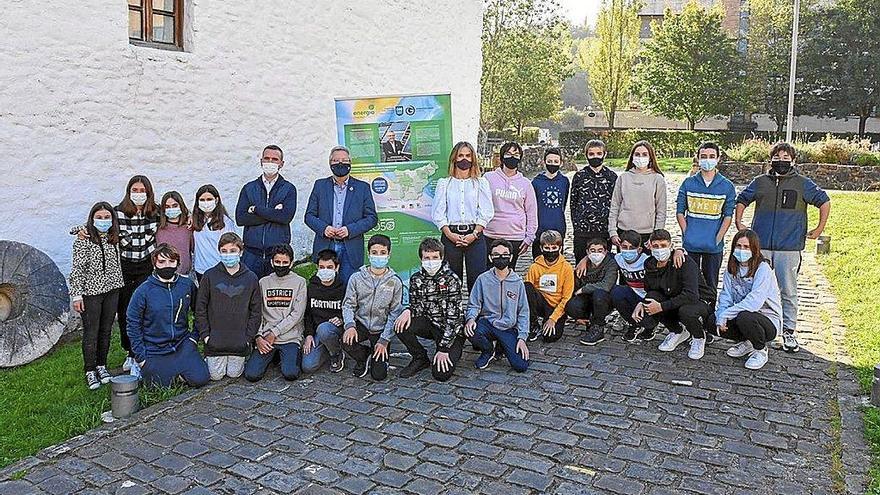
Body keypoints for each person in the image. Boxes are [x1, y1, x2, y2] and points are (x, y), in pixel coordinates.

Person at [734, 141, 831, 353]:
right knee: (754, 289)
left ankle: (788, 331)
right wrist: (739, 224)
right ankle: (754, 331)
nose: (781, 161)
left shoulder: (803, 183)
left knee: (788, 291)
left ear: (793, 160)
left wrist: (818, 228)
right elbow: (741, 199)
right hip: (761, 247)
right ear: (771, 160)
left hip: (789, 247)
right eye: (777, 158)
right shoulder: (760, 182)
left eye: (786, 158)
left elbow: (824, 201)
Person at [126, 244, 209, 388]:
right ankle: (148, 369)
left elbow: (200, 312)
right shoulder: (143, 291)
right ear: (154, 263)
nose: (167, 266)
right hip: (154, 348)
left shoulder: (187, 285)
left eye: (171, 261)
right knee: (156, 386)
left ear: (177, 263)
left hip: (182, 344)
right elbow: (133, 323)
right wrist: (141, 357)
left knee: (201, 378)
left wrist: (193, 338)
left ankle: (178, 369)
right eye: (162, 262)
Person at [631, 229, 716, 360]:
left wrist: (662, 307)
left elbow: (691, 295)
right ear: (651, 247)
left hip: (698, 300)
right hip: (674, 297)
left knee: (686, 311)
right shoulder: (650, 264)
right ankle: (677, 331)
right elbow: (651, 290)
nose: (660, 250)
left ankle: (699, 337)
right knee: (651, 300)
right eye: (656, 246)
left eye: (663, 246)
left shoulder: (684, 262)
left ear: (671, 246)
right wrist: (642, 302)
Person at [69, 202, 125, 389]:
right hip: (91, 293)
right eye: (99, 218)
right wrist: (77, 295)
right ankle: (90, 370)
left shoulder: (114, 237)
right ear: (92, 219)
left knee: (106, 330)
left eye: (107, 217)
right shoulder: (83, 239)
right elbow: (77, 269)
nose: (103, 221)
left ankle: (102, 365)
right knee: (91, 332)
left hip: (112, 290)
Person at [393, 238, 465, 381]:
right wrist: (407, 310)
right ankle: (420, 357)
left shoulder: (452, 279)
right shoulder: (416, 278)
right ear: (421, 259)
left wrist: (444, 348)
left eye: (434, 257)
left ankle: (449, 349)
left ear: (441, 258)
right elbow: (416, 306)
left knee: (441, 375)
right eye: (427, 258)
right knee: (401, 325)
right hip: (430, 324)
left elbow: (454, 318)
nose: (430, 261)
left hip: (452, 331)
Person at [305, 145, 378, 285]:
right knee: (325, 288)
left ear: (350, 163)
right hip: (326, 246)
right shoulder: (320, 186)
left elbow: (372, 218)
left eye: (344, 160)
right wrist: (324, 228)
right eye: (336, 160)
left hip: (351, 248)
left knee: (350, 288)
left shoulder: (362, 188)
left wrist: (350, 230)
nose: (340, 163)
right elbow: (309, 216)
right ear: (330, 163)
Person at [195, 233, 261, 381]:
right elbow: (200, 308)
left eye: (232, 251)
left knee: (234, 374)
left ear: (241, 252)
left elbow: (256, 311)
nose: (228, 255)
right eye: (224, 251)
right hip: (215, 340)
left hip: (239, 340)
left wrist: (248, 338)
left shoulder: (251, 278)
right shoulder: (209, 276)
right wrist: (205, 336)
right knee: (215, 376)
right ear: (219, 252)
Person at [716, 229, 783, 370]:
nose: (742, 250)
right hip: (743, 315)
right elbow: (726, 295)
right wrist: (720, 316)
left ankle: (760, 349)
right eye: (738, 246)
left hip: (767, 321)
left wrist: (726, 314)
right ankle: (749, 342)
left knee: (745, 317)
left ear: (754, 249)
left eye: (746, 247)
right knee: (712, 321)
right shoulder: (731, 269)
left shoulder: (763, 269)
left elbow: (754, 302)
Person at [431, 141, 494, 291]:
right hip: (450, 235)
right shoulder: (444, 183)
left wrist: (474, 234)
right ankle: (453, 312)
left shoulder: (481, 183)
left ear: (473, 159)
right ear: (454, 158)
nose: (464, 159)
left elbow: (486, 211)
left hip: (475, 235)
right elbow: (438, 212)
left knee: (477, 279)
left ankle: (476, 312)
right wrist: (450, 234)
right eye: (460, 155)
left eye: (468, 155)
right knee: (450, 279)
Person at [674, 142, 736, 293]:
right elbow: (680, 211)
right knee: (689, 283)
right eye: (703, 156)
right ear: (698, 158)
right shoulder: (688, 183)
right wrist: (686, 233)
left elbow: (728, 215)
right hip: (691, 243)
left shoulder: (727, 186)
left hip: (713, 246)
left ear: (718, 158)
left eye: (711, 156)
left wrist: (718, 237)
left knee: (710, 284)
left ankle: (710, 314)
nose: (707, 160)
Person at [341, 235, 404, 380]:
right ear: (368, 254)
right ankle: (363, 356)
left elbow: (395, 313)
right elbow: (348, 305)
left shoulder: (395, 282)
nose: (378, 256)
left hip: (380, 329)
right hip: (361, 324)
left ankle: (378, 354)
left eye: (382, 253)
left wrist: (384, 340)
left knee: (379, 375)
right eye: (374, 252)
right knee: (344, 340)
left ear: (389, 254)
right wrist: (350, 325)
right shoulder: (356, 278)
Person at [115, 175, 160, 373]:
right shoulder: (117, 213)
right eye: (135, 190)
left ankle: (145, 348)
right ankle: (130, 352)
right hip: (125, 266)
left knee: (145, 309)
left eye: (143, 191)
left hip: (147, 265)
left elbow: (180, 218)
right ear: (128, 192)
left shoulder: (156, 212)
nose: (139, 195)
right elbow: (94, 225)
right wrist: (80, 231)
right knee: (125, 311)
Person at [464, 239, 530, 372]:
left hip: (508, 327)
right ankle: (488, 350)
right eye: (496, 254)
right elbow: (474, 304)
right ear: (490, 257)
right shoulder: (482, 279)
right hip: (488, 323)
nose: (501, 258)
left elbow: (523, 311)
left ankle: (502, 344)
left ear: (511, 257)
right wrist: (470, 319)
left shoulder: (517, 282)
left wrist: (522, 337)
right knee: (469, 330)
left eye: (505, 254)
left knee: (521, 366)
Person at [244, 244, 307, 382]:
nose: (281, 265)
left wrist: (275, 332)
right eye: (277, 262)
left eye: (285, 262)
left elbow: (297, 314)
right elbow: (256, 312)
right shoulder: (263, 282)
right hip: (266, 337)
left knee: (290, 373)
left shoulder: (300, 282)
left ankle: (287, 355)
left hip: (290, 337)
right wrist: (258, 337)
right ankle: (275, 356)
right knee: (251, 375)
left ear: (291, 263)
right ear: (272, 262)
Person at [236, 145, 298, 278]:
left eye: (275, 159)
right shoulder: (249, 188)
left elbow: (286, 217)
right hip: (251, 255)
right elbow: (241, 218)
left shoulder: (288, 188)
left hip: (277, 256)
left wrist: (257, 210)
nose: (270, 162)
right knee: (251, 293)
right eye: (267, 158)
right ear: (261, 161)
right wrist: (274, 213)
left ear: (281, 164)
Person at [483, 142, 538, 270]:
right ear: (502, 157)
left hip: (514, 236)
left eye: (516, 154)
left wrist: (530, 236)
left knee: (508, 272)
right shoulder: (488, 178)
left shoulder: (525, 184)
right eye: (508, 154)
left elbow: (531, 212)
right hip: (490, 234)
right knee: (488, 273)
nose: (512, 157)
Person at [608, 141, 667, 251]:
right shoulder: (623, 178)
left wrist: (656, 236)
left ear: (650, 157)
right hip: (624, 232)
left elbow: (661, 210)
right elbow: (615, 206)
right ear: (632, 157)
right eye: (637, 154)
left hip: (647, 234)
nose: (641, 157)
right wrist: (612, 232)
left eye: (644, 154)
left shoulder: (658, 179)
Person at [570, 139, 617, 262]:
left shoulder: (611, 176)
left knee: (602, 264)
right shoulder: (579, 176)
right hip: (583, 230)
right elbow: (573, 202)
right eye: (591, 154)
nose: (595, 157)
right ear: (586, 155)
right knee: (581, 263)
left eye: (598, 153)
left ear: (604, 154)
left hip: (603, 229)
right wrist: (576, 224)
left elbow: (616, 203)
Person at [524, 230, 574, 343]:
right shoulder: (534, 267)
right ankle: (533, 323)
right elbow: (527, 294)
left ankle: (556, 320)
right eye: (547, 248)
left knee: (550, 338)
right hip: (540, 303)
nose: (550, 251)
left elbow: (567, 297)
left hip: (556, 306)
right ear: (541, 249)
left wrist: (553, 318)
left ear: (560, 248)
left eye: (554, 248)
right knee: (526, 287)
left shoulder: (567, 268)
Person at [301, 249, 347, 374]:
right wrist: (309, 335)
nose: (325, 270)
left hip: (335, 330)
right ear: (317, 268)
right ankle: (326, 348)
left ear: (337, 268)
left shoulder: (343, 287)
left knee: (324, 329)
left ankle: (336, 353)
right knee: (308, 366)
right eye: (322, 267)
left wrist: (341, 318)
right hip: (317, 332)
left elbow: (350, 309)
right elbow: (308, 313)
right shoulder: (312, 287)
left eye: (329, 267)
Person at [566, 238, 617, 345]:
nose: (596, 254)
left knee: (599, 293)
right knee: (572, 306)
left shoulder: (610, 264)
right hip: (586, 298)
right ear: (587, 252)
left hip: (603, 299)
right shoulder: (583, 265)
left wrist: (584, 289)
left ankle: (598, 327)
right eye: (593, 250)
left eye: (600, 250)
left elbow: (606, 285)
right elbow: (574, 286)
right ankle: (587, 321)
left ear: (605, 252)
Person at [609, 230, 652, 343]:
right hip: (633, 295)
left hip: (648, 298)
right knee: (616, 291)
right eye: (624, 247)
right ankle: (633, 324)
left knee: (648, 320)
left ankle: (650, 327)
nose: (628, 251)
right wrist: (584, 260)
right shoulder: (618, 258)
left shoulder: (647, 261)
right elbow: (602, 254)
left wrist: (679, 251)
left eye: (632, 247)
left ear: (639, 249)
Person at [531, 148, 570, 259]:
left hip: (558, 226)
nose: (552, 164)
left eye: (556, 161)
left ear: (561, 163)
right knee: (539, 261)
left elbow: (564, 202)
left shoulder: (564, 181)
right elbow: (533, 205)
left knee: (557, 262)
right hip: (540, 227)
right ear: (544, 162)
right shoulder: (536, 182)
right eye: (550, 161)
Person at [192, 184, 236, 281]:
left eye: (209, 199)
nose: (206, 203)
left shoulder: (225, 223)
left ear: (216, 200)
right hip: (201, 270)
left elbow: (231, 245)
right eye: (202, 200)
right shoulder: (195, 221)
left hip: (219, 270)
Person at [156, 191, 193, 276]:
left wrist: (191, 215)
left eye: (175, 206)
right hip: (162, 274)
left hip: (184, 275)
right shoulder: (158, 227)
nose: (171, 209)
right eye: (167, 207)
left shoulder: (188, 227)